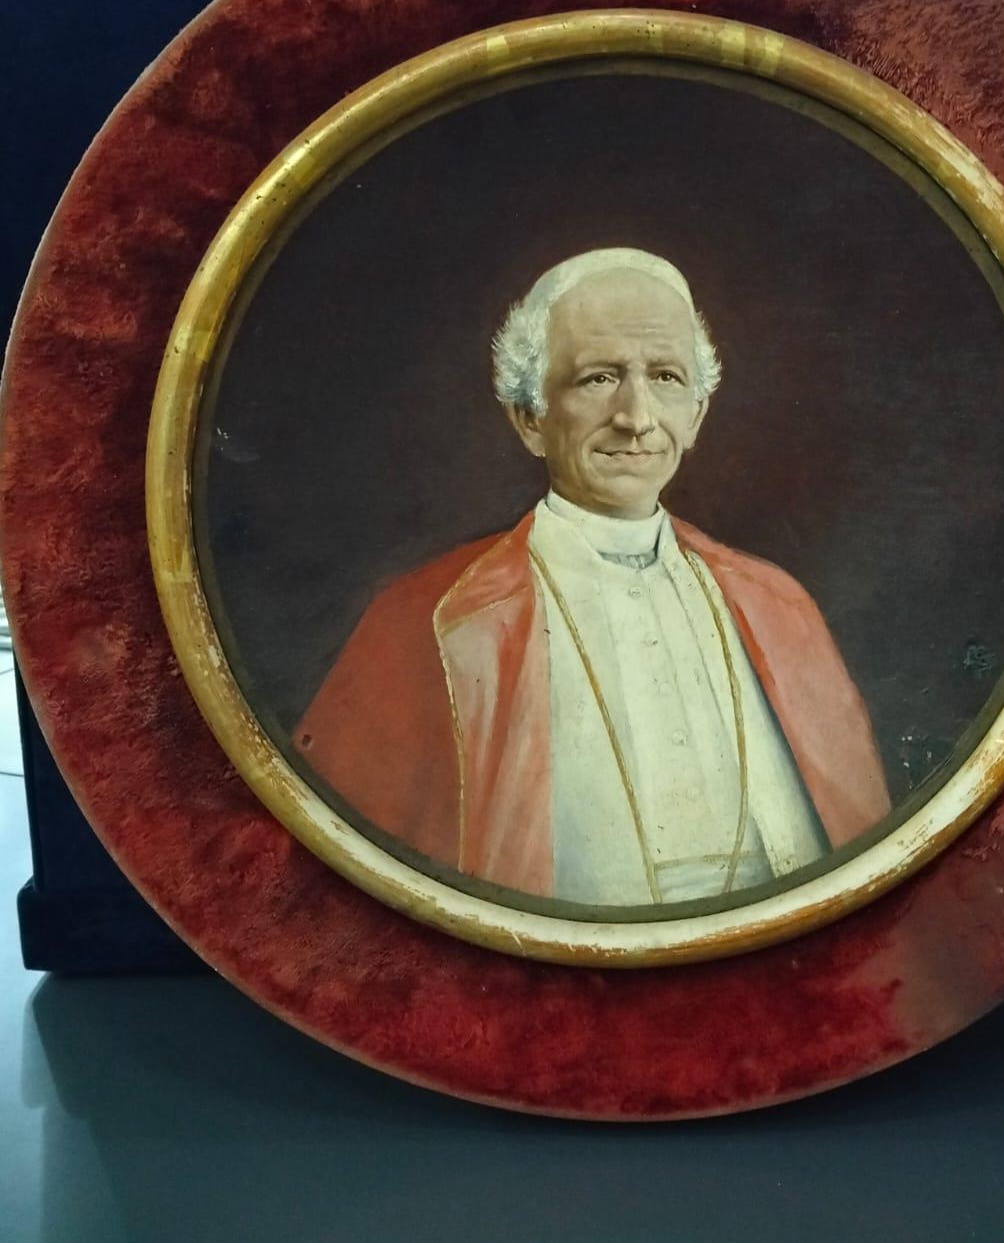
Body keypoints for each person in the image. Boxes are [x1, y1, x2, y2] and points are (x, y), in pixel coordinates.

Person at [295, 248, 890, 907]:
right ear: (530, 418)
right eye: (599, 378)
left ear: (696, 414)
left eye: (665, 377)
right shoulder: (427, 619)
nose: (636, 417)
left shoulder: (780, 606)